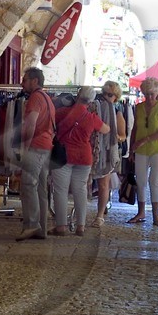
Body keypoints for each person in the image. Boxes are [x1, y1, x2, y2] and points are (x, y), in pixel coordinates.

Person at [50, 86, 108, 235]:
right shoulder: (91, 117)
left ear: (77, 96)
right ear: (91, 101)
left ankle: (61, 226)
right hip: (84, 156)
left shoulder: (62, 112)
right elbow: (106, 129)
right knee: (81, 190)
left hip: (63, 155)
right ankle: (80, 226)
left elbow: (50, 123)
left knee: (61, 191)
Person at [14, 66, 56, 241]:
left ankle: (31, 224)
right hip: (46, 147)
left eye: (25, 80)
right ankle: (41, 228)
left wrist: (25, 146)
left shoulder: (35, 99)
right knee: (40, 188)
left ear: (35, 81)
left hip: (36, 146)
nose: (22, 83)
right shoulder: (47, 98)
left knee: (28, 185)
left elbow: (30, 124)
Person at [128, 77, 158, 226]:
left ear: (157, 92)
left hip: (157, 148)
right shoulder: (138, 108)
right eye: (147, 94)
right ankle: (141, 212)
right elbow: (135, 129)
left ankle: (156, 215)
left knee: (155, 181)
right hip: (140, 149)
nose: (150, 97)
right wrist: (132, 147)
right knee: (140, 181)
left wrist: (144, 140)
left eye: (152, 93)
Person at [90, 81, 122, 226]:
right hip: (91, 148)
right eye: (104, 93)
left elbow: (122, 133)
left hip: (107, 151)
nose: (106, 97)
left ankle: (99, 215)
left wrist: (110, 139)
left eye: (110, 95)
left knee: (104, 185)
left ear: (116, 97)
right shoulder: (94, 105)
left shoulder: (117, 110)